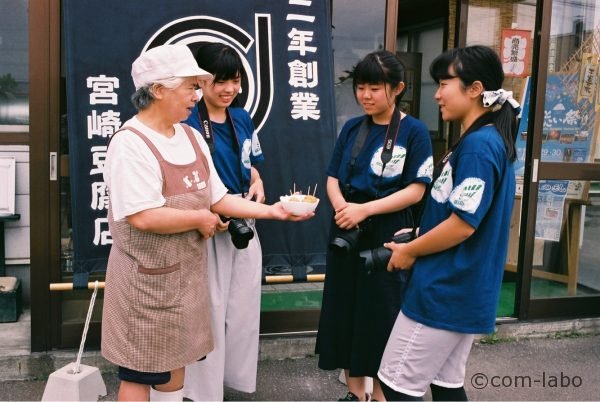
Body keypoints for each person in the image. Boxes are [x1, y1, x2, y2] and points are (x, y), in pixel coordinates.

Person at [101, 44, 311, 402]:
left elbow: (219, 198)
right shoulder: (129, 143)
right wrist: (199, 218)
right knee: (141, 372)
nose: (196, 96)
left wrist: (273, 211)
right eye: (190, 86)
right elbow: (143, 215)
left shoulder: (190, 136)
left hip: (186, 282)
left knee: (176, 367)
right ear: (158, 89)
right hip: (145, 286)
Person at [377, 45, 520, 401]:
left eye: (444, 84)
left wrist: (410, 250)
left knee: (396, 386)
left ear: (474, 89)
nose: (437, 94)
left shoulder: (479, 146)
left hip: (445, 290)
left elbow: (463, 225)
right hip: (461, 290)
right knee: (446, 387)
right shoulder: (477, 141)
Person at [315, 50, 433, 402]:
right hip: (347, 231)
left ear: (397, 88)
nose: (365, 95)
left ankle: (380, 396)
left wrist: (363, 210)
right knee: (345, 312)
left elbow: (416, 190)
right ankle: (355, 395)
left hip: (387, 236)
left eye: (374, 88)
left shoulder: (414, 132)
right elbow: (332, 177)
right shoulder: (353, 127)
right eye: (360, 87)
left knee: (382, 316)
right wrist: (344, 210)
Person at [182, 42, 265, 401]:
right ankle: (201, 392)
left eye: (235, 80)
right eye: (220, 81)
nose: (229, 89)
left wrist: (257, 181)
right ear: (201, 81)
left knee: (243, 310)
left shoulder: (242, 118)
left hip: (243, 222)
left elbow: (253, 164)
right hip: (205, 226)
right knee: (210, 312)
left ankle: (234, 381)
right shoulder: (186, 120)